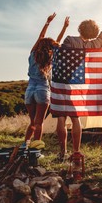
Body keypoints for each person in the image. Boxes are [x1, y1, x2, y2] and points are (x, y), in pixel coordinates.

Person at [57, 4, 102, 180]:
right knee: (76, 117)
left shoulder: (70, 40)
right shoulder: (97, 43)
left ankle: (62, 152)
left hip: (67, 82)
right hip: (84, 85)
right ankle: (76, 151)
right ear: (94, 33)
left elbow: (61, 58)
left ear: (80, 28)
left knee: (61, 117)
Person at [23, 13, 69, 147]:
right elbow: (58, 41)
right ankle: (35, 149)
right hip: (42, 90)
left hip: (29, 90)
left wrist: (47, 23)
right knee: (39, 123)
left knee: (32, 122)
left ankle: (25, 145)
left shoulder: (32, 54)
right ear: (50, 48)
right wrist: (65, 27)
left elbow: (40, 37)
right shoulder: (50, 57)